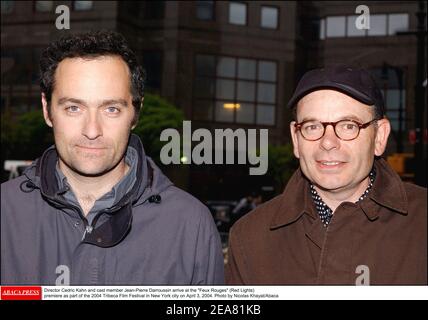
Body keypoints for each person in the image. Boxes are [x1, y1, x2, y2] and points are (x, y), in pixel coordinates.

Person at [1, 31, 224, 285]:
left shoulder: (191, 225)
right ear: (47, 109)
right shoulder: (5, 213)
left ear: (135, 114)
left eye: (111, 109)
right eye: (74, 108)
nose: (92, 130)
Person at [226, 65, 427, 285]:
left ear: (379, 137)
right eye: (312, 126)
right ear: (296, 139)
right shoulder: (250, 237)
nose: (328, 142)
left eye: (349, 126)